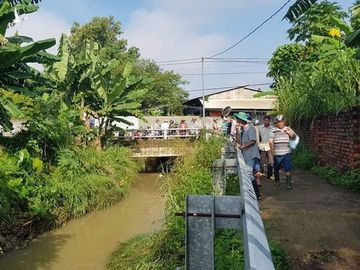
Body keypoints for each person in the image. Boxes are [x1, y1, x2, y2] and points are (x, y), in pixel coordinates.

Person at [234, 112, 262, 200]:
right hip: (246, 154)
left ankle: (253, 196)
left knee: (249, 174)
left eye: (238, 119)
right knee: (250, 175)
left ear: (242, 120)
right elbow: (239, 141)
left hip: (251, 154)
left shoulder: (250, 128)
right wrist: (237, 132)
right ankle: (257, 194)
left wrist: (243, 146)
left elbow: (253, 141)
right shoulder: (242, 129)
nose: (237, 121)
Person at [269, 115, 297, 190]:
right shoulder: (273, 130)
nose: (279, 124)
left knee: (288, 168)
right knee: (276, 168)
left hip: (287, 153)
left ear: (284, 122)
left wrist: (290, 133)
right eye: (278, 122)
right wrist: (272, 150)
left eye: (281, 122)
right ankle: (277, 180)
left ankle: (288, 184)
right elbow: (271, 141)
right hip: (277, 153)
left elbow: (294, 138)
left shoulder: (288, 129)